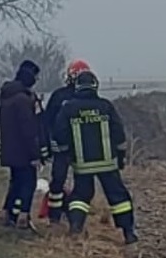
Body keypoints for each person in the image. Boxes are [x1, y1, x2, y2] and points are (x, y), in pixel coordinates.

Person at [53, 71, 138, 244]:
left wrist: (65, 154)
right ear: (95, 86)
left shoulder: (68, 108)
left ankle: (75, 227)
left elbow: (59, 134)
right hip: (108, 163)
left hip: (82, 164)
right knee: (119, 197)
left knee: (81, 196)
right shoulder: (105, 106)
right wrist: (121, 156)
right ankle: (128, 233)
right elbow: (119, 133)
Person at [0, 60, 47, 228]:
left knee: (16, 181)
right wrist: (35, 154)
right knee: (28, 182)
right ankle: (23, 216)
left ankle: (8, 212)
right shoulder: (24, 99)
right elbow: (29, 129)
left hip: (9, 149)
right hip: (24, 151)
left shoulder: (7, 95)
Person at [42, 59, 91, 223]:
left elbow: (47, 121)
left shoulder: (59, 96)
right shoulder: (88, 99)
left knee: (59, 181)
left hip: (62, 147)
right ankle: (70, 217)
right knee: (76, 183)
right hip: (79, 148)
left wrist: (48, 143)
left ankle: (56, 216)